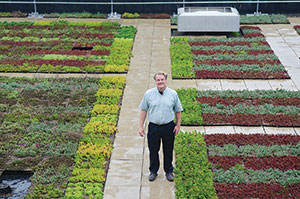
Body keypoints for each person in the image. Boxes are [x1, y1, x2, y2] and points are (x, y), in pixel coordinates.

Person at [139, 72, 183, 182]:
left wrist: (178, 125)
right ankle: (153, 171)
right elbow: (144, 110)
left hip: (168, 127)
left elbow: (178, 110)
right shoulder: (148, 94)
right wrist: (141, 126)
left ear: (166, 80)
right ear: (155, 81)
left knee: (168, 150)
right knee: (153, 150)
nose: (160, 82)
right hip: (154, 127)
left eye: (162, 79)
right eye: (158, 80)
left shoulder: (173, 94)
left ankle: (169, 171)